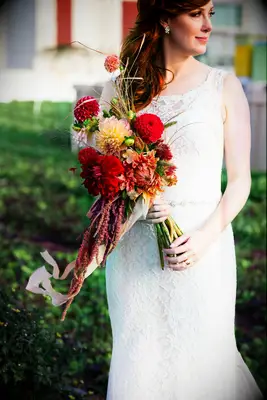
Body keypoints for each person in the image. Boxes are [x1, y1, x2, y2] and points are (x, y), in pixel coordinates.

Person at [100, 0, 264, 399]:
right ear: (164, 18)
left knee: (204, 361)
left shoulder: (223, 86)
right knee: (141, 360)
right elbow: (109, 182)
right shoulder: (120, 90)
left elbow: (240, 181)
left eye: (211, 13)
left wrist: (205, 238)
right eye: (196, 14)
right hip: (136, 249)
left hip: (201, 247)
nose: (208, 24)